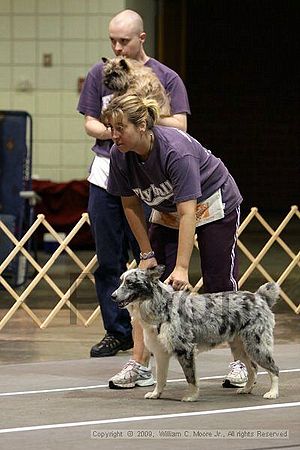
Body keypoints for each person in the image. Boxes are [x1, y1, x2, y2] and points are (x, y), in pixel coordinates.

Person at [102, 94, 248, 390]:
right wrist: (146, 253)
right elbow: (130, 205)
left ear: (142, 125)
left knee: (219, 282)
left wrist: (181, 267)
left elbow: (187, 213)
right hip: (168, 208)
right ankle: (140, 365)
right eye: (110, 128)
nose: (113, 135)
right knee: (146, 285)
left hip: (211, 202)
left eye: (120, 128)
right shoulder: (120, 155)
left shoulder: (176, 151)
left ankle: (241, 362)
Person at [77, 9, 190, 361]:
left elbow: (180, 126)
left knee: (151, 259)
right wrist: (116, 132)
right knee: (109, 258)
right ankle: (117, 333)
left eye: (123, 41)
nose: (117, 47)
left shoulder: (165, 77)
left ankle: (160, 331)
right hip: (107, 170)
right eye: (112, 40)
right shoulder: (102, 73)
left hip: (151, 176)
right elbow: (90, 123)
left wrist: (140, 124)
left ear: (141, 38)